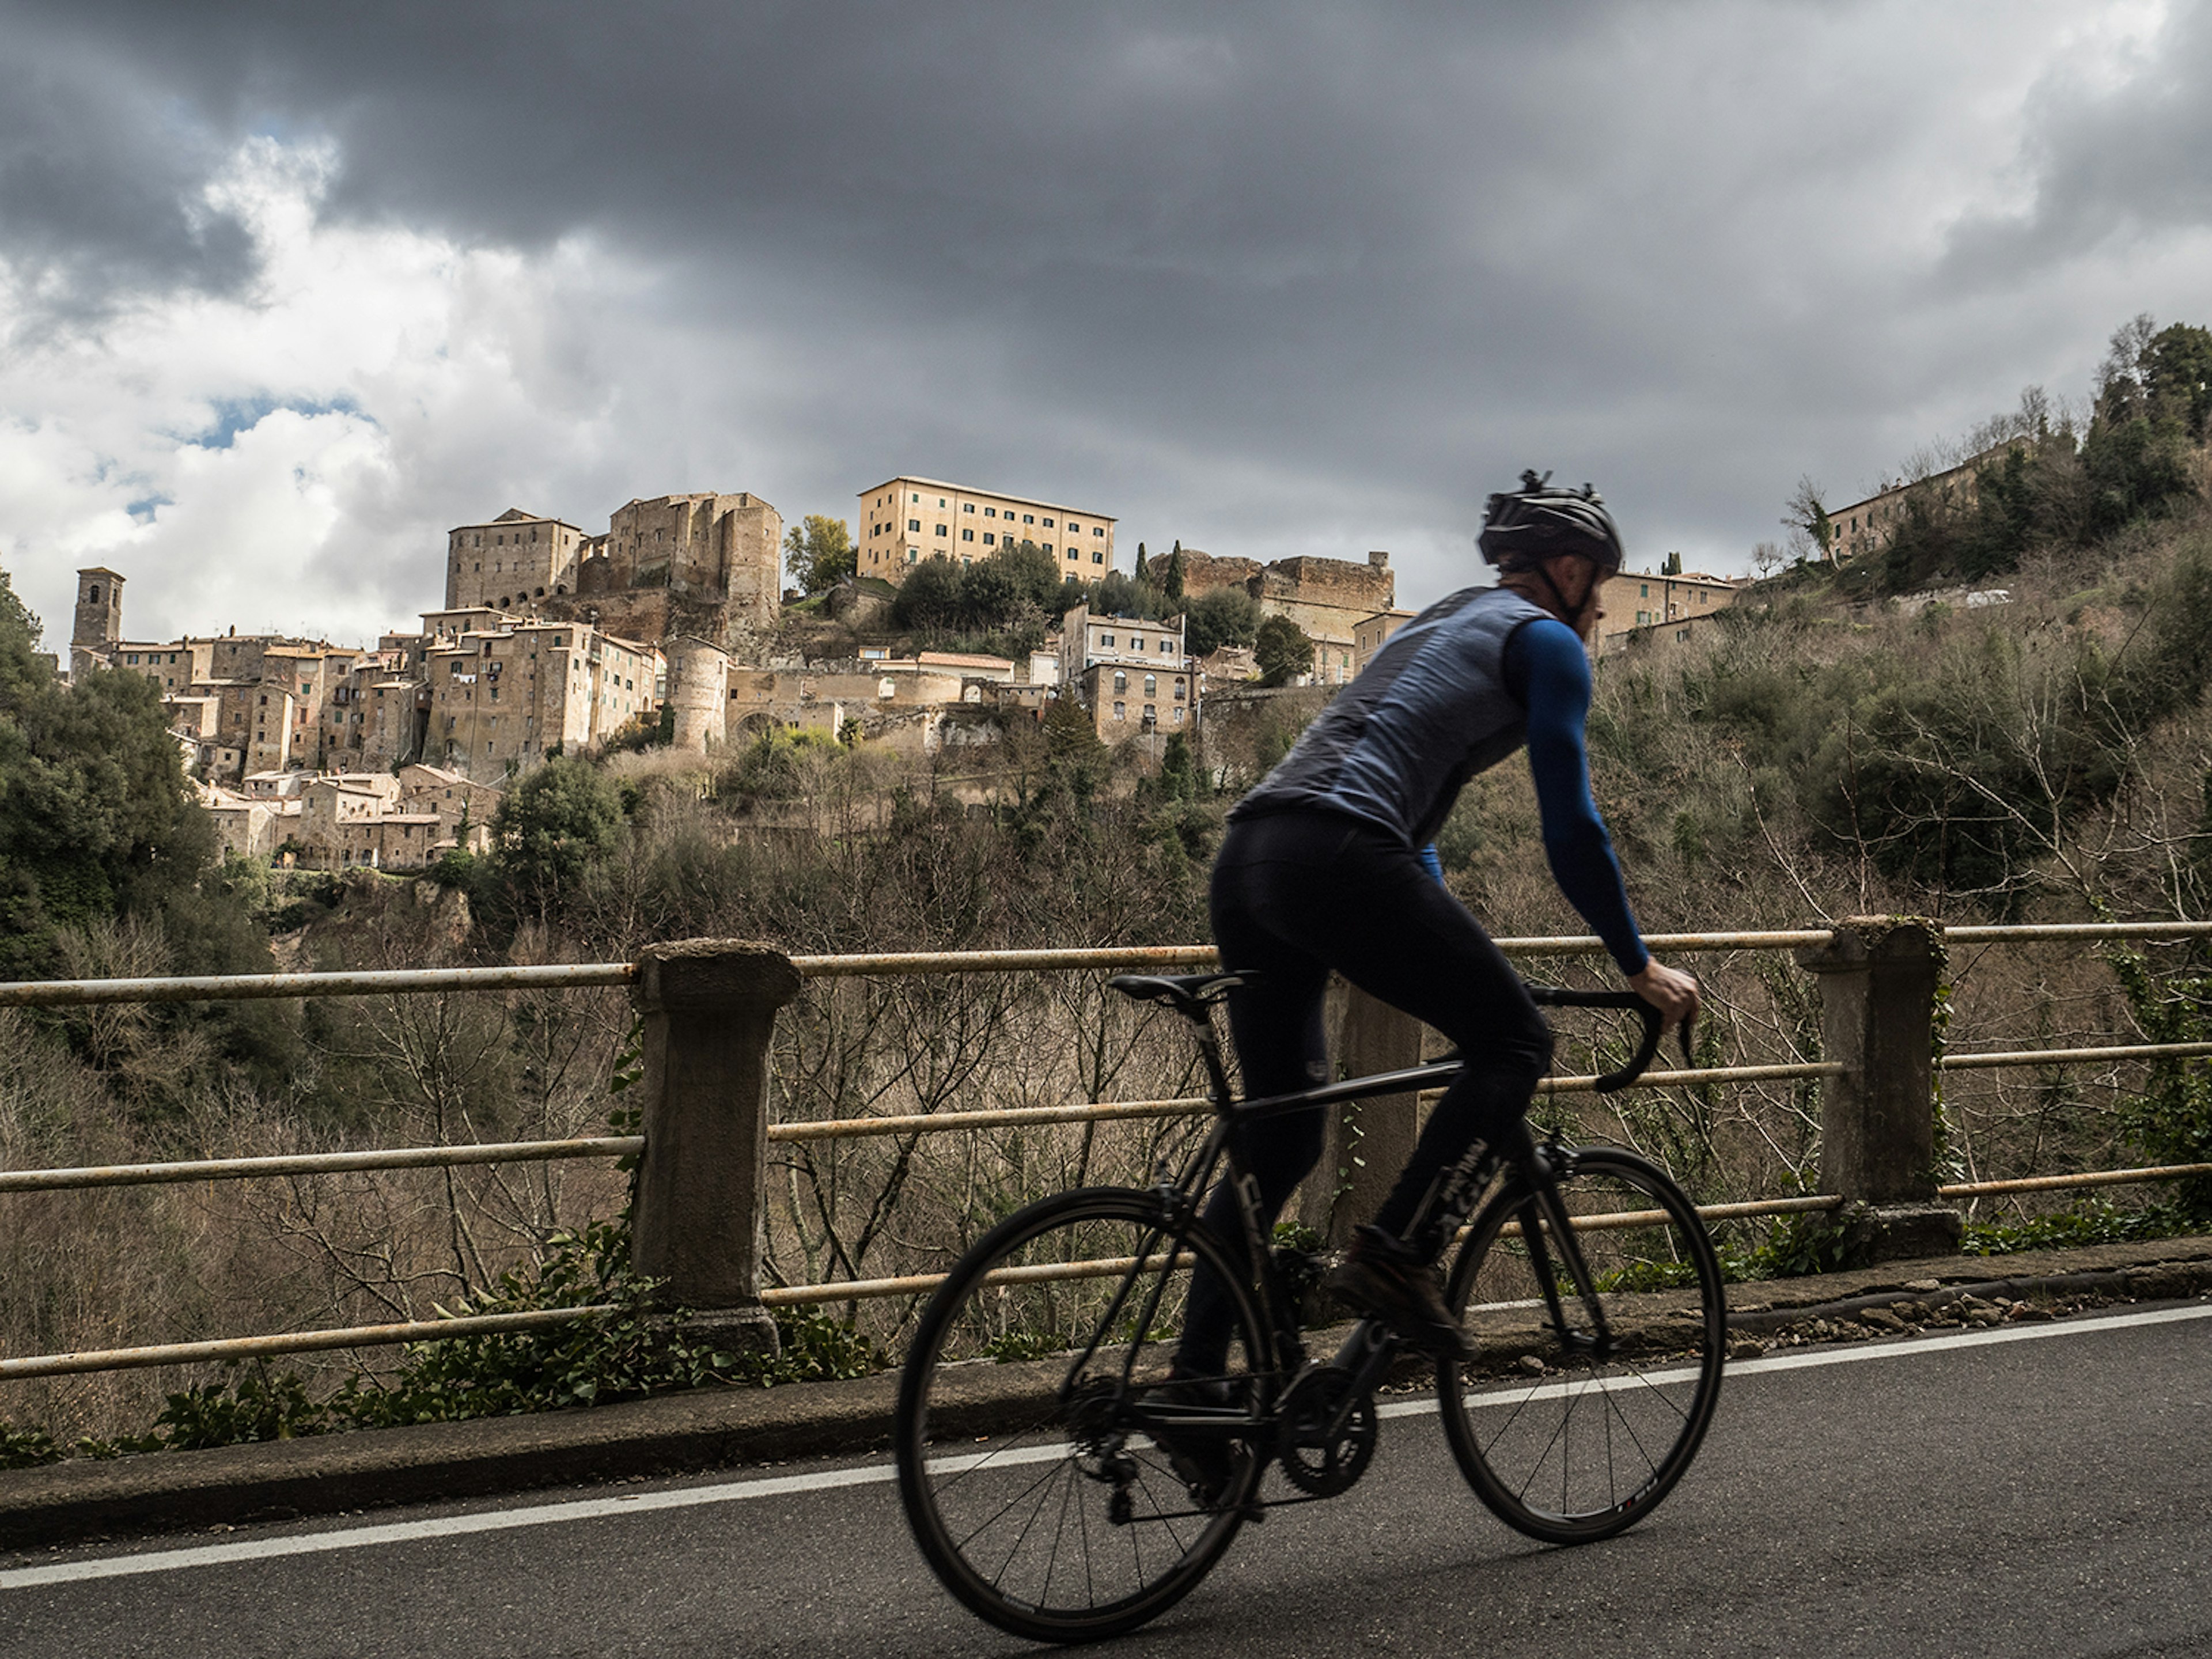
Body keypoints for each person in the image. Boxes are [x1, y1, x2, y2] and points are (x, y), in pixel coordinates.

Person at [1166, 472, 1699, 1470]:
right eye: (1603, 590)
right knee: (1515, 1040)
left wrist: (1448, 934)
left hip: (1251, 858)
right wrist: (1637, 964)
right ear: (1572, 571)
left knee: (1279, 1145)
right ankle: (1398, 1254)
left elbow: (1412, 821)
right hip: (1338, 854)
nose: (1600, 613)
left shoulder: (1438, 624)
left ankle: (1194, 1387)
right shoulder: (1544, 643)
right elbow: (1573, 828)